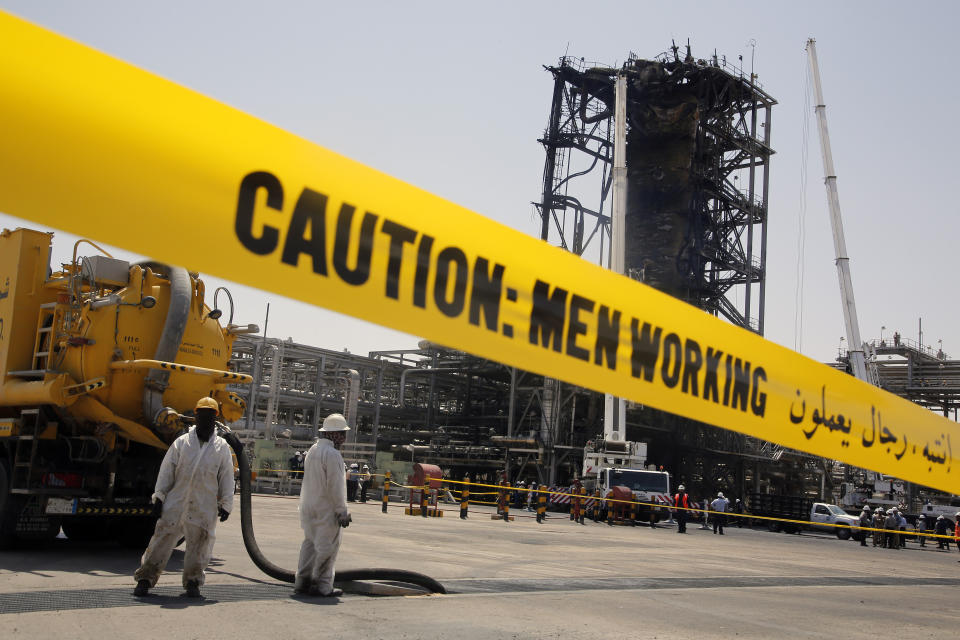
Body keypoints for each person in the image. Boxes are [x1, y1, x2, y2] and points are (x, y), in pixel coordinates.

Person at [133, 397, 234, 598]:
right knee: (161, 540)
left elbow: (226, 476)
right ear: (195, 416)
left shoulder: (221, 447)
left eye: (209, 415)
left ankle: (193, 582)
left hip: (203, 505)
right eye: (202, 414)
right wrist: (159, 496)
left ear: (215, 417)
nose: (205, 419)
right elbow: (167, 470)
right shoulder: (182, 442)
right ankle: (145, 578)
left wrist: (226, 503)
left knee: (200, 543)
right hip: (176, 502)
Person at [295, 413, 352, 597]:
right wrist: (342, 511)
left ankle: (301, 582)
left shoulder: (312, 450)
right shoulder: (333, 454)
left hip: (308, 507)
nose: (343, 438)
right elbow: (335, 486)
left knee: (310, 545)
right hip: (326, 510)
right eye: (342, 433)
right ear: (334, 434)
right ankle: (321, 586)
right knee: (327, 547)